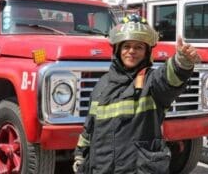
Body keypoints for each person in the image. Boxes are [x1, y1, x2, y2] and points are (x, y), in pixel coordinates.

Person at [73, 14, 200, 174]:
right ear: (118, 50)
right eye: (126, 46)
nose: (131, 51)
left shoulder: (151, 82)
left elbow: (169, 78)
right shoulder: (102, 85)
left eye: (139, 47)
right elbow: (89, 128)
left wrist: (182, 62)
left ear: (147, 52)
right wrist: (80, 156)